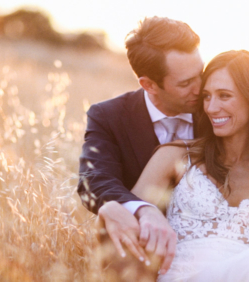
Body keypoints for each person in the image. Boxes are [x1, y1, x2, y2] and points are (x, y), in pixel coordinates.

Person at [103, 50, 249, 281]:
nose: (211, 108)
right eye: (207, 96)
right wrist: (108, 208)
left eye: (224, 96)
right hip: (185, 277)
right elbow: (125, 218)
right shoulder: (176, 156)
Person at [78, 16, 204, 277]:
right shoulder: (108, 116)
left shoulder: (219, 108)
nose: (201, 89)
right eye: (185, 83)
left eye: (200, 74)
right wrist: (144, 209)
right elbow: (93, 180)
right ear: (148, 85)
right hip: (146, 257)